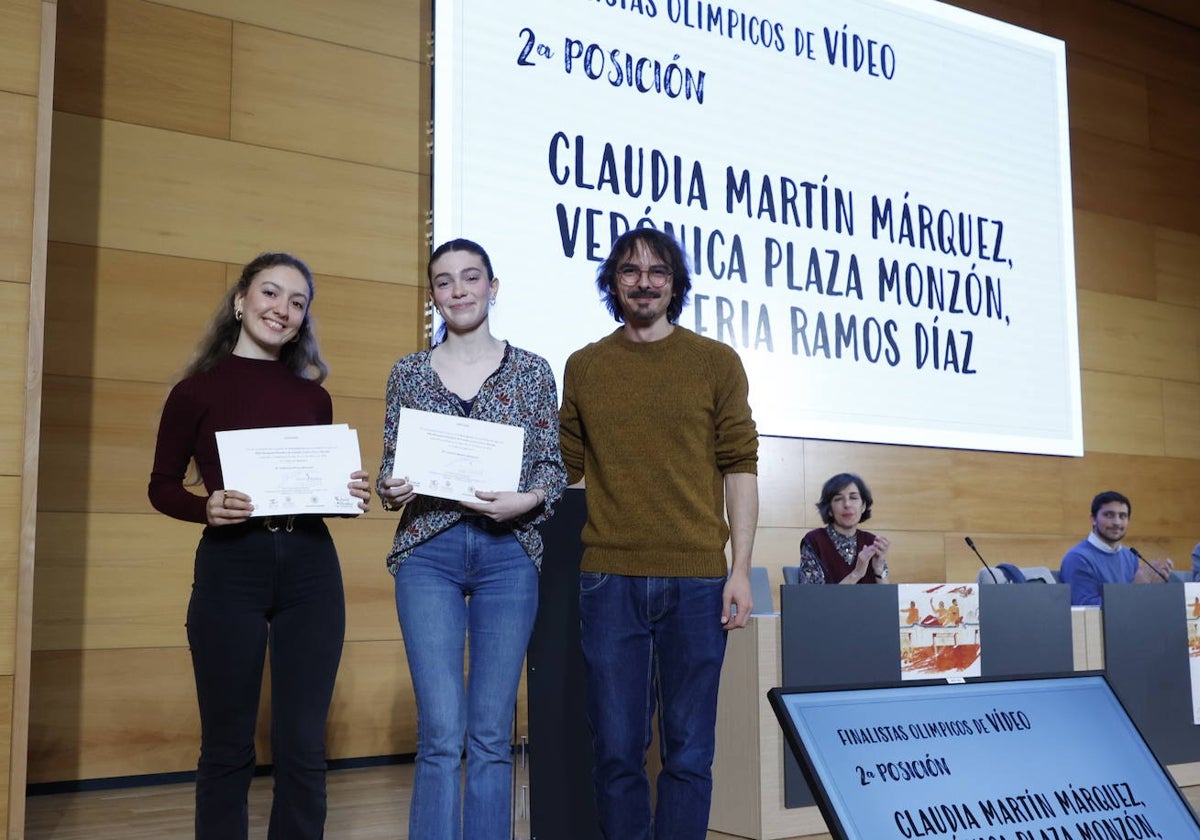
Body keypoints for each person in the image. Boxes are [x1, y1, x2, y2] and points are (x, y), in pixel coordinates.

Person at [148, 252, 371, 840]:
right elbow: (161, 486)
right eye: (272, 294)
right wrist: (205, 507)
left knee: (302, 747)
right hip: (231, 568)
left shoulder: (313, 398)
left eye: (298, 302)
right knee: (226, 745)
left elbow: (310, 489)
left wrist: (346, 492)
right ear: (241, 300)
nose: (283, 310)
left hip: (310, 570)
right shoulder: (194, 393)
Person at [559, 227, 759, 840]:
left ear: (675, 284)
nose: (643, 281)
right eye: (629, 270)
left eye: (657, 271)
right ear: (612, 284)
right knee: (617, 750)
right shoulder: (585, 366)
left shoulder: (715, 361)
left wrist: (741, 570)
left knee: (689, 752)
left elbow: (740, 466)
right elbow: (561, 474)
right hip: (608, 581)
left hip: (698, 581)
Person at [376, 238, 566, 840]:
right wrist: (390, 486)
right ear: (432, 295)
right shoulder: (407, 372)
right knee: (439, 733)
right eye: (444, 281)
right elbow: (388, 467)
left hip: (509, 554)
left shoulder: (533, 370)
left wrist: (527, 500)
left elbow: (553, 470)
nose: (458, 290)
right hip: (427, 553)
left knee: (490, 733)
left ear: (493, 286)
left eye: (470, 277)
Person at [1058, 490, 1173, 606]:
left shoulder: (1131, 556)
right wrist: (1135, 590)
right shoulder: (1078, 558)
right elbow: (1087, 610)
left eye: (1122, 516)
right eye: (1109, 515)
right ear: (1093, 519)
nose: (1117, 522)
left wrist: (1152, 589)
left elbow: (1136, 605)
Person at [798, 473, 890, 584]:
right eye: (838, 499)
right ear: (830, 509)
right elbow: (813, 599)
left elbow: (888, 599)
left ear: (863, 506)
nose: (847, 504)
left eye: (853, 497)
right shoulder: (815, 541)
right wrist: (856, 574)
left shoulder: (871, 542)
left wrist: (879, 568)